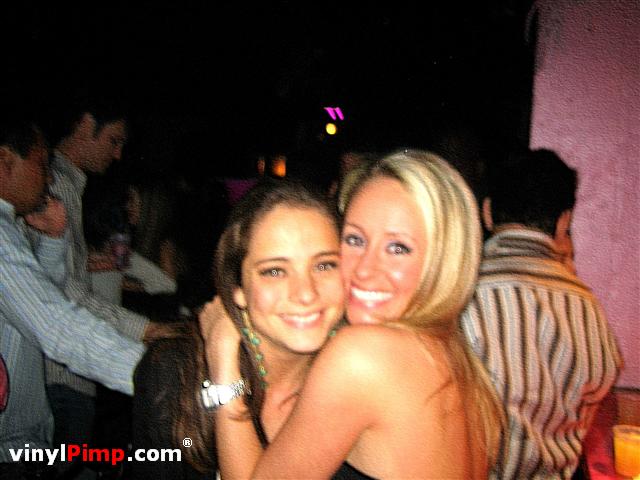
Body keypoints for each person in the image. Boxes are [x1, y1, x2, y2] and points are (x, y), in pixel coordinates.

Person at [204, 150, 504, 479]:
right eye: (355, 239)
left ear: (444, 258)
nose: (364, 269)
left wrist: (222, 361)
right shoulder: (454, 358)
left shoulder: (363, 355)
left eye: (398, 248)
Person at [134, 179, 344, 479]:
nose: (306, 294)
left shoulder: (360, 381)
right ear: (238, 289)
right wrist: (223, 368)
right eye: (275, 271)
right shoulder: (177, 372)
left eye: (324, 265)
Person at [460, 148, 622, 479]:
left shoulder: (460, 292)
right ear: (564, 221)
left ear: (487, 212)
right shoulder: (586, 305)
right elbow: (600, 387)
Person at [0, 115, 144, 477]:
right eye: (41, 163)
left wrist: (52, 240)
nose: (48, 178)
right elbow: (56, 325)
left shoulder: (11, 224)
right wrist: (154, 372)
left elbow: (33, 300)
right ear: (4, 162)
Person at [32, 99, 167, 475]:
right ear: (85, 123)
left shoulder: (71, 186)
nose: (118, 153)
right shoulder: (56, 184)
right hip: (61, 375)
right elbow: (66, 292)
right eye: (113, 140)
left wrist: (91, 261)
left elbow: (59, 273)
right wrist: (148, 330)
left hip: (68, 371)